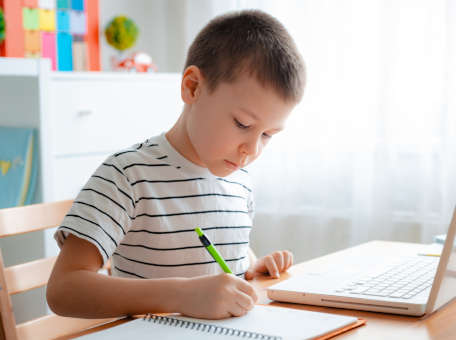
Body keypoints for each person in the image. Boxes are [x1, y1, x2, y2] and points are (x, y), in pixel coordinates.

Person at [46, 9, 306, 320]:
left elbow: (218, 261)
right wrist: (180, 295)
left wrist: (250, 266)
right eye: (242, 124)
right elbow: (64, 290)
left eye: (267, 135)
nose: (251, 150)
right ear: (193, 87)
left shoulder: (240, 182)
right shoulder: (127, 176)